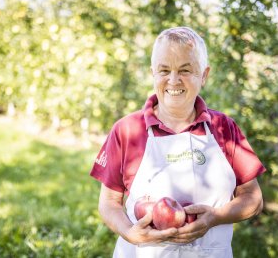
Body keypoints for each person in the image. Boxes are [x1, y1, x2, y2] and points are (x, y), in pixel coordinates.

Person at [90, 26, 265, 258]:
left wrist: (215, 218)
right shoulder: (127, 130)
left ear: (204, 75)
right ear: (152, 72)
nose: (173, 80)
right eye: (164, 70)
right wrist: (131, 233)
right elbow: (109, 203)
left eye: (185, 70)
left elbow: (253, 199)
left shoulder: (224, 128)